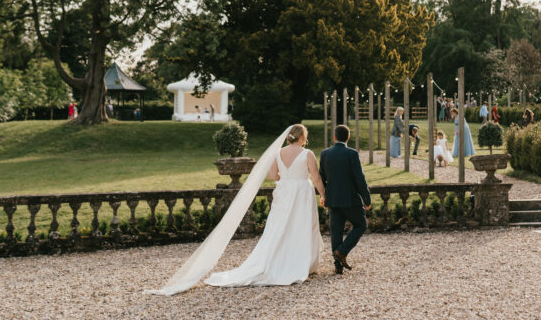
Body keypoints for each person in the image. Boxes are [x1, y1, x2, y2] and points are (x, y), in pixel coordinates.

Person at [146, 123, 328, 295]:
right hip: (301, 193)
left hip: (284, 192)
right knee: (301, 226)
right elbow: (317, 177)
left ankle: (275, 261)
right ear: (302, 138)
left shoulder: (278, 153)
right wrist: (324, 195)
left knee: (278, 228)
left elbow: (273, 175)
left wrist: (287, 178)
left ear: (289, 137)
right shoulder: (307, 154)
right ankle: (303, 263)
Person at [320, 124, 373, 274]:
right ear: (348, 137)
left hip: (333, 199)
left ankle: (338, 265)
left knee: (336, 232)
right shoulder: (352, 153)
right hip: (350, 199)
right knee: (361, 225)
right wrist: (367, 199)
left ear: (334, 137)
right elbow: (359, 179)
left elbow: (321, 178)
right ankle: (342, 252)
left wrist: (324, 196)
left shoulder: (325, 154)